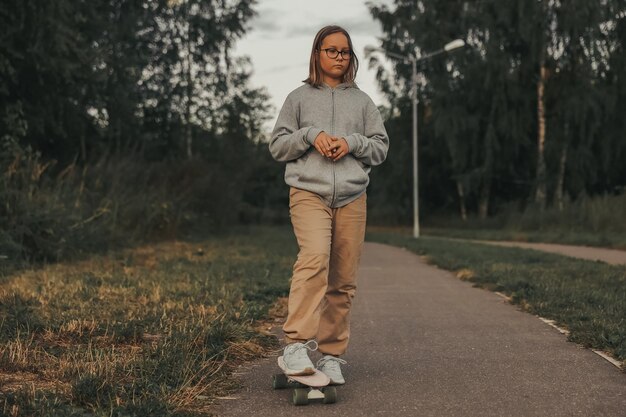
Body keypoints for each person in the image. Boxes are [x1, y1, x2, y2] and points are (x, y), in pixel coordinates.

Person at [268, 25, 389, 385]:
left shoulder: (363, 102)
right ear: (317, 54)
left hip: (352, 196)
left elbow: (381, 146)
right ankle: (295, 345)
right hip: (308, 192)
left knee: (343, 280)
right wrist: (310, 135)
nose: (339, 57)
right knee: (315, 257)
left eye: (345, 52)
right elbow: (278, 146)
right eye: (331, 50)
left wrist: (353, 143)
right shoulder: (298, 98)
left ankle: (332, 356)